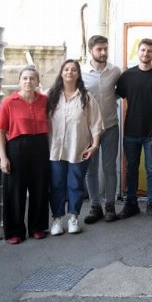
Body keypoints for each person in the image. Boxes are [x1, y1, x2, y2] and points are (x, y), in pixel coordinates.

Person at [47, 60, 103, 235]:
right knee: (56, 185)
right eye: (66, 69)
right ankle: (57, 220)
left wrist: (95, 145)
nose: (69, 72)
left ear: (78, 74)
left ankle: (73, 218)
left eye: (73, 70)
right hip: (55, 150)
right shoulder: (50, 95)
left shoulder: (86, 97)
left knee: (75, 185)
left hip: (78, 149)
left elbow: (96, 123)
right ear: (61, 72)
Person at [115, 38, 152, 220]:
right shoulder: (126, 76)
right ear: (137, 52)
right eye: (143, 50)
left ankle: (151, 205)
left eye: (149, 51)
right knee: (131, 169)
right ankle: (131, 204)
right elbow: (117, 96)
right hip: (131, 130)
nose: (146, 53)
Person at [0, 66, 50, 244]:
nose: (28, 81)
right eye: (25, 78)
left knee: (39, 188)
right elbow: (0, 131)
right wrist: (3, 157)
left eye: (32, 78)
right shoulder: (9, 102)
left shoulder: (45, 101)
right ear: (19, 81)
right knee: (15, 190)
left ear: (38, 82)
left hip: (40, 147)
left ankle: (37, 227)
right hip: (16, 148)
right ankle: (14, 231)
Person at [81, 35, 122, 224]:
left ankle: (110, 205)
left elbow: (121, 92)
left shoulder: (115, 71)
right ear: (90, 50)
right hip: (88, 130)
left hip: (111, 126)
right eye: (99, 49)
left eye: (105, 48)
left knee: (109, 167)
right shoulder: (81, 72)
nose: (103, 52)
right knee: (91, 169)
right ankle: (95, 206)